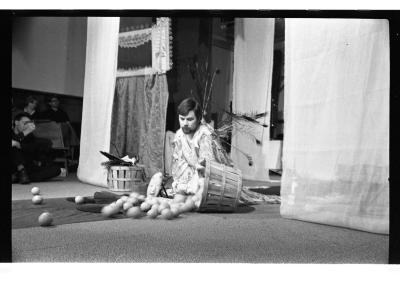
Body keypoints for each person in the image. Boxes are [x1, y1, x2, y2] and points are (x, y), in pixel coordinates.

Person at [12, 112, 66, 184]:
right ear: (16, 122)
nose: (27, 126)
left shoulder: (29, 136)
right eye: (25, 123)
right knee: (13, 147)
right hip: (13, 165)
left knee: (56, 170)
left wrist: (21, 145)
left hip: (28, 166)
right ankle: (21, 172)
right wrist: (25, 133)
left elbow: (32, 148)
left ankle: (19, 177)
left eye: (29, 123)